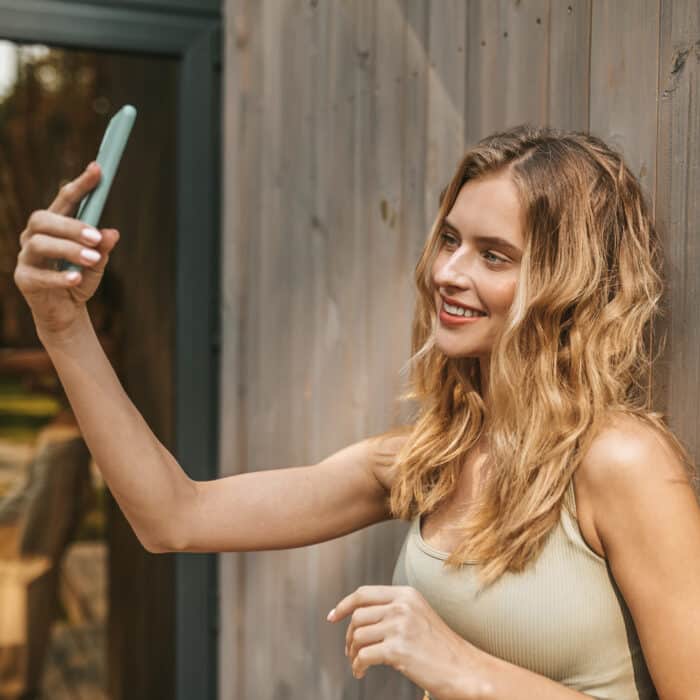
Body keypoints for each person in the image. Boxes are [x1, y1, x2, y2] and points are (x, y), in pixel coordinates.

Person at [12, 126, 700, 700]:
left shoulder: (621, 460)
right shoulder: (430, 457)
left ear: (568, 284)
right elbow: (173, 516)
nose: (447, 272)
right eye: (450, 239)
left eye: (493, 256)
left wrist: (461, 666)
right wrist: (62, 327)